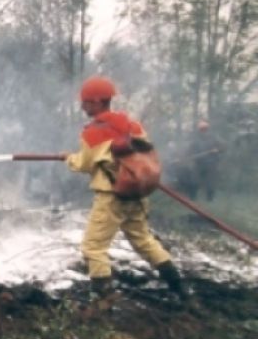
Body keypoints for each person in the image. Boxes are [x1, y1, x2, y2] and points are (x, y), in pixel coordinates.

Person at [65, 77, 186, 304]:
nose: (83, 107)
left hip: (111, 197)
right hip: (136, 193)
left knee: (93, 247)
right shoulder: (134, 126)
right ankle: (178, 287)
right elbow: (142, 155)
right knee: (144, 240)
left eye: (86, 102)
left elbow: (84, 164)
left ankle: (103, 299)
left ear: (98, 102)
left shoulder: (94, 132)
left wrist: (69, 159)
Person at [188, 120, 223, 202]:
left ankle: (210, 199)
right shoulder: (195, 140)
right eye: (202, 129)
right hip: (198, 163)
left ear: (208, 129)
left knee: (211, 182)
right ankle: (192, 198)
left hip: (211, 163)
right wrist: (193, 156)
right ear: (199, 130)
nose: (204, 131)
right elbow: (190, 152)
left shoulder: (214, 138)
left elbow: (223, 147)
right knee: (194, 180)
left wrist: (217, 150)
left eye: (205, 129)